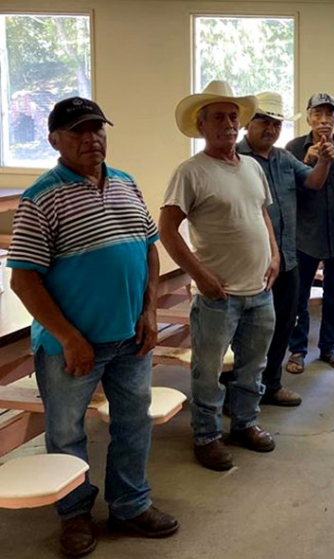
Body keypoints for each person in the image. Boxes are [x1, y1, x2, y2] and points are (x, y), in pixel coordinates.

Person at [8, 97, 178, 557]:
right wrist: (68, 337)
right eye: (78, 132)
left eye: (97, 129)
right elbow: (23, 279)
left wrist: (150, 314)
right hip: (73, 348)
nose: (91, 139)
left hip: (130, 337)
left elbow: (148, 249)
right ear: (54, 141)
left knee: (132, 423)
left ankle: (129, 504)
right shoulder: (41, 197)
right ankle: (75, 515)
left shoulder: (125, 183)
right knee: (66, 433)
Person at [160, 80, 280, 471]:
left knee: (252, 365)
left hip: (260, 290)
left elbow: (262, 214)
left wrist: (275, 254)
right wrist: (201, 275)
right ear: (202, 125)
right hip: (217, 296)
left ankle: (245, 423)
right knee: (208, 372)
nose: (227, 124)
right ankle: (207, 436)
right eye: (217, 117)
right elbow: (167, 230)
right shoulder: (191, 172)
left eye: (232, 117)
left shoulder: (251, 167)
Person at [227, 91, 329, 407]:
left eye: (276, 123)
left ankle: (270, 384)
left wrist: (324, 161)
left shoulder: (284, 158)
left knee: (283, 323)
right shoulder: (235, 158)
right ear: (247, 124)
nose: (270, 129)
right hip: (250, 262)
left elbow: (313, 182)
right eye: (263, 121)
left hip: (286, 258)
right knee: (245, 332)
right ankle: (235, 392)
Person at [284, 93, 334, 372]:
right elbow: (286, 193)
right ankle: (297, 350)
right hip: (303, 236)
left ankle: (329, 347)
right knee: (299, 296)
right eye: (318, 115)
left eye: (330, 115)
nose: (324, 120)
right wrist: (307, 160)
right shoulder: (292, 149)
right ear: (308, 118)